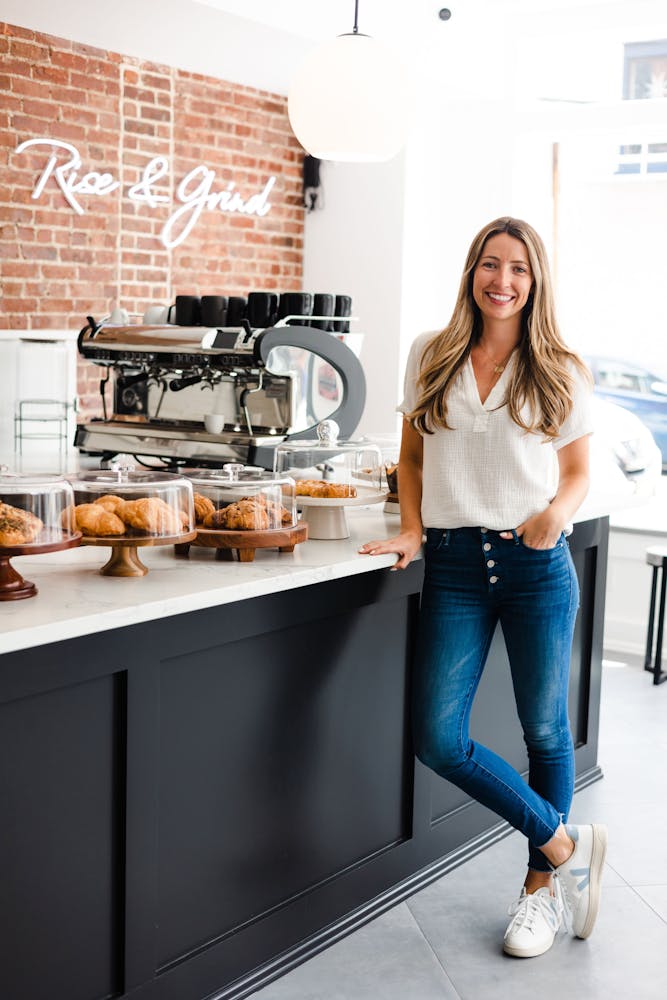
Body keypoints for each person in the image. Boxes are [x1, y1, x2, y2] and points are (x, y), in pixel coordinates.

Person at [359, 216, 607, 959]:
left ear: (536, 282)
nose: (502, 280)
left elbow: (575, 475)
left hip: (535, 567)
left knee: (543, 731)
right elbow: (410, 457)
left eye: (518, 269)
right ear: (471, 272)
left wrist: (552, 517)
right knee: (438, 738)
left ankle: (539, 892)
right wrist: (410, 529)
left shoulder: (561, 365)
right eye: (490, 265)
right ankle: (567, 846)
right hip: (456, 566)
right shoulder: (430, 354)